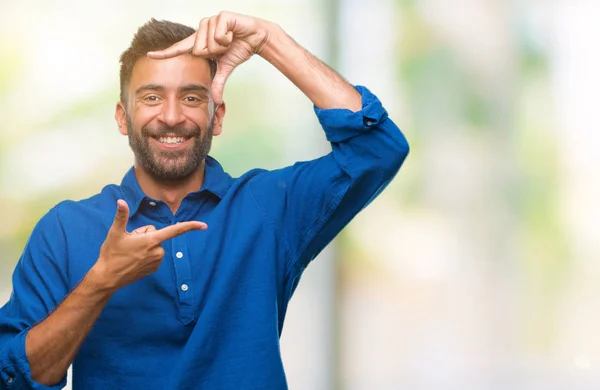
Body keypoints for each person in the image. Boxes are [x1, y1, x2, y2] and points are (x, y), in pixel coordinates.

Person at [0, 11, 409, 390]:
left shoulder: (268, 209)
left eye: (193, 97)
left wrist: (269, 39)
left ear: (217, 116)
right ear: (123, 117)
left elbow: (378, 149)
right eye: (152, 97)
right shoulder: (65, 230)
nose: (173, 116)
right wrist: (100, 282)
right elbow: (15, 378)